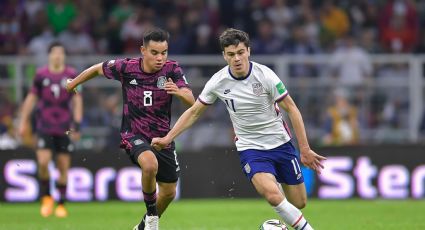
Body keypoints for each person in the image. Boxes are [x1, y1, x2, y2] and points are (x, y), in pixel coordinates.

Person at [152, 28, 326, 230]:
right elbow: (194, 112)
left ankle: (276, 226)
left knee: (299, 203)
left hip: (281, 144)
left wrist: (304, 149)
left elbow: (293, 109)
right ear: (224, 55)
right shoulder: (218, 81)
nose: (237, 58)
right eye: (231, 54)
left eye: (241, 52)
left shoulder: (265, 75)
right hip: (251, 148)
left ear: (249, 51)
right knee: (272, 195)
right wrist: (167, 138)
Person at [66, 27, 195, 230]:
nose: (160, 58)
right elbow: (97, 68)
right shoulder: (126, 67)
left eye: (164, 52)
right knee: (150, 165)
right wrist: (73, 83)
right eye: (154, 53)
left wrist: (179, 92)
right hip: (133, 134)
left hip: (163, 137)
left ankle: (143, 225)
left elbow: (191, 100)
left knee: (169, 192)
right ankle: (152, 218)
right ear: (143, 50)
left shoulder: (172, 69)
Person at [18, 41, 83, 218]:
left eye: (60, 53)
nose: (57, 56)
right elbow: (31, 99)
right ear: (49, 55)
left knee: (63, 166)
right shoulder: (41, 75)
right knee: (43, 162)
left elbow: (77, 100)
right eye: (54, 53)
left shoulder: (71, 74)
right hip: (44, 125)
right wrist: (23, 121)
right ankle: (47, 198)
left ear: (64, 56)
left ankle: (61, 204)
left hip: (65, 127)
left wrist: (77, 124)